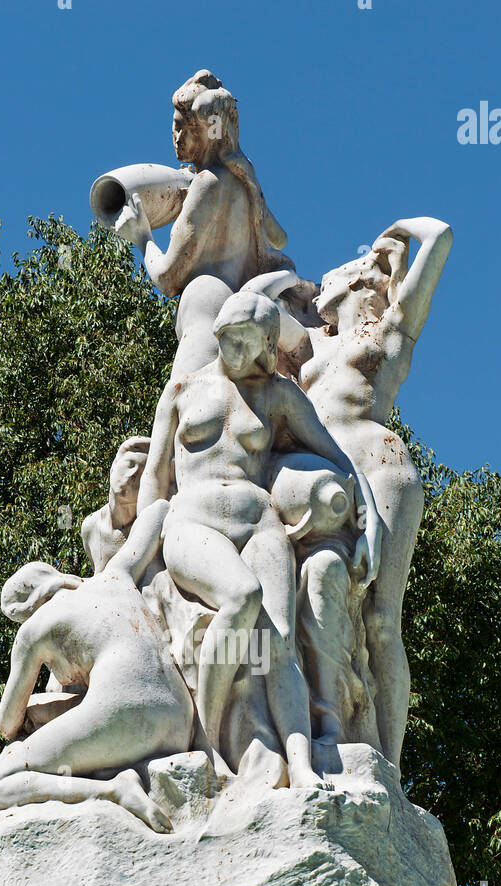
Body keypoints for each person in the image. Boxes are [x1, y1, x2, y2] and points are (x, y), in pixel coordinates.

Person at [138, 283, 381, 786]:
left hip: (260, 520)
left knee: (282, 639)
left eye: (249, 343)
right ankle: (207, 743)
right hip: (194, 519)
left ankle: (302, 767)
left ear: (268, 347)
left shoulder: (278, 395)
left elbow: (343, 462)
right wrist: (138, 558)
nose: (236, 352)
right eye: (229, 339)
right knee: (242, 595)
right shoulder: (182, 389)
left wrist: (370, 522)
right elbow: (154, 478)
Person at [265, 219, 453, 767]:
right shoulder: (308, 346)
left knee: (380, 619)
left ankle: (388, 764)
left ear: (356, 283)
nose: (333, 272)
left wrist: (397, 233)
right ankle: (325, 727)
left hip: (379, 465)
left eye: (348, 267)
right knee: (308, 595)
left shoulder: (389, 331)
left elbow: (438, 237)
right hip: (320, 472)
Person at [0, 501, 193, 832]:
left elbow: (7, 724)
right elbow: (158, 511)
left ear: (27, 610)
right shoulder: (115, 574)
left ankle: (113, 790)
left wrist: (35, 706)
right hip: (180, 721)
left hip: (129, 720)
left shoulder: (33, 632)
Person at [114, 70, 308, 377]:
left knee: (179, 411)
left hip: (208, 313)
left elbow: (167, 278)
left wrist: (141, 236)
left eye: (186, 130)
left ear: (205, 131)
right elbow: (279, 239)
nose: (178, 137)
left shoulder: (207, 184)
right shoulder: (241, 179)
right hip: (243, 317)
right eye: (175, 127)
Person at [81, 436, 151, 573]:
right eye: (130, 464)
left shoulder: (146, 528)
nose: (133, 475)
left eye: (143, 474)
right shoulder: (90, 526)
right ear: (113, 467)